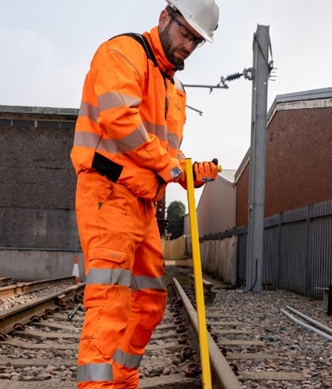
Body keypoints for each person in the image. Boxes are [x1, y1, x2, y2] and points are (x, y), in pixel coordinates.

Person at [70, 0, 220, 387]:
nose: (188, 46)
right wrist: (169, 166)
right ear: (164, 18)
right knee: (110, 305)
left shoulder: (174, 88)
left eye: (196, 41)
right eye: (185, 33)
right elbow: (120, 120)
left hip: (142, 205)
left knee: (150, 300)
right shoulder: (123, 52)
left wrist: (189, 171)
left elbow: (165, 152)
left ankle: (120, 382)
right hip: (108, 193)